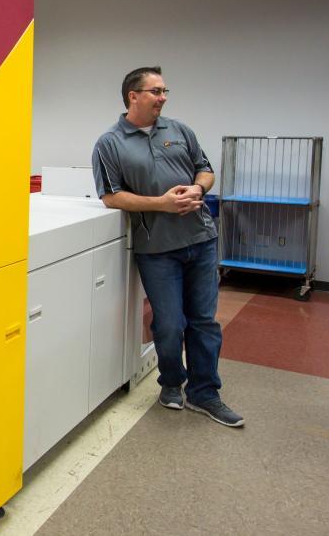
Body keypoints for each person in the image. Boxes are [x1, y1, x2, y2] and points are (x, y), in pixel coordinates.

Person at [91, 66, 244, 428]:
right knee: (171, 324)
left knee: (204, 322)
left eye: (164, 91)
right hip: (157, 248)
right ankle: (172, 382)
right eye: (156, 91)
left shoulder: (179, 131)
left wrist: (198, 189)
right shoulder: (110, 143)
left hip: (201, 240)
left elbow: (205, 170)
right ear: (134, 96)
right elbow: (111, 197)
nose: (163, 97)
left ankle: (205, 394)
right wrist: (161, 203)